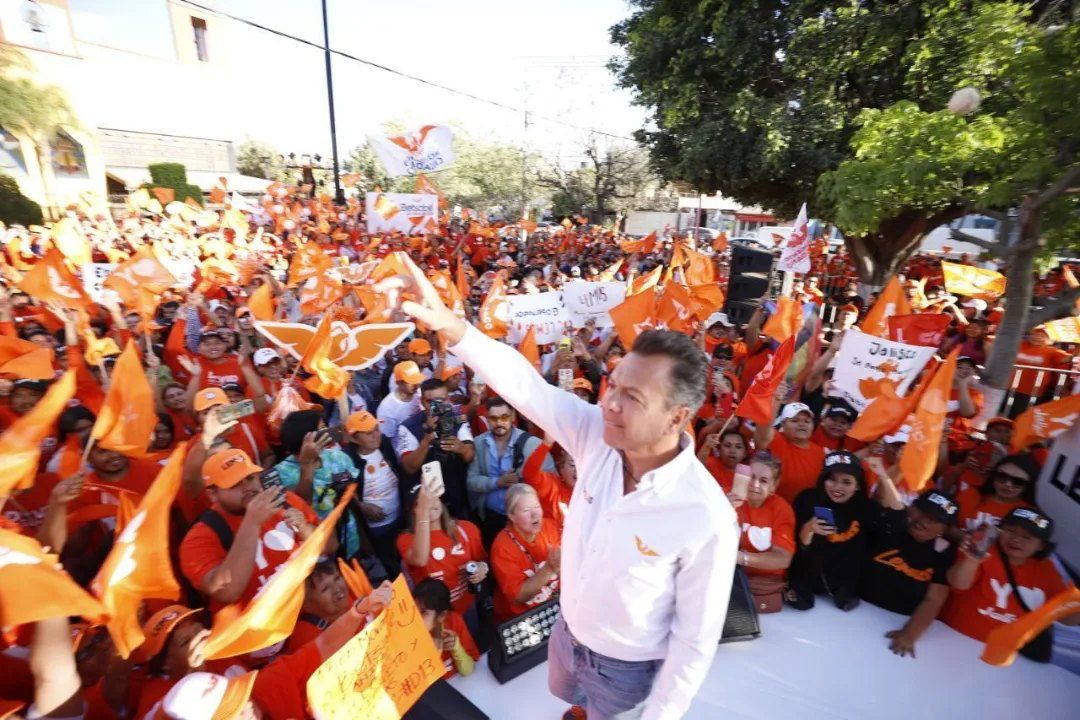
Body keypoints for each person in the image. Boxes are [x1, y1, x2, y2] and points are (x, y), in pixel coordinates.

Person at [393, 265, 736, 720]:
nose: (609, 403)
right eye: (613, 386)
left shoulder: (704, 516)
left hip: (626, 670)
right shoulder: (595, 435)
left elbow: (695, 639)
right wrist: (455, 328)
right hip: (566, 633)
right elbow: (525, 386)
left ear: (678, 416)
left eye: (633, 397)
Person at [150, 583, 393, 720]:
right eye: (231, 712)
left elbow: (322, 647)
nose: (246, 708)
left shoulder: (266, 686)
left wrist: (358, 611)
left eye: (237, 695)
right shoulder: (152, 699)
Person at [179, 448, 326, 614]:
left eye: (250, 478)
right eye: (234, 484)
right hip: (265, 632)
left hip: (310, 611)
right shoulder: (198, 539)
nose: (247, 487)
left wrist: (305, 529)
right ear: (213, 494)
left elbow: (328, 547)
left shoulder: (284, 500)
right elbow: (228, 592)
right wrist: (252, 521)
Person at [858, 465, 958, 657]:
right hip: (855, 606)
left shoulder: (944, 551)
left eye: (934, 519)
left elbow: (934, 599)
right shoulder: (891, 520)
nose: (924, 521)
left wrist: (910, 633)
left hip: (893, 620)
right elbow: (879, 496)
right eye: (921, 511)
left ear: (944, 529)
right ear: (911, 507)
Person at [942, 506, 1074, 648]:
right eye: (1010, 531)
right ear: (999, 530)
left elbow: (1068, 619)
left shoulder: (1047, 570)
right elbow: (957, 583)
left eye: (1027, 537)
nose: (1016, 539)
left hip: (999, 654)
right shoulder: (981, 548)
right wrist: (971, 560)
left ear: (1041, 545)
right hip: (951, 637)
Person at [786, 451, 871, 611]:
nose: (837, 487)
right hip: (804, 576)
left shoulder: (864, 508)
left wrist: (885, 477)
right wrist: (808, 529)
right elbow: (795, 549)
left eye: (846, 482)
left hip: (842, 587)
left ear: (857, 485)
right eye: (832, 479)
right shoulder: (807, 499)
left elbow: (897, 518)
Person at [396, 484, 489, 628]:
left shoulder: (466, 528)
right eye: (422, 502)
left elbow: (481, 560)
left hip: (468, 607)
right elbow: (420, 560)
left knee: (472, 645)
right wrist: (424, 513)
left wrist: (482, 568)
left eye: (434, 497)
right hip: (436, 618)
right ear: (414, 511)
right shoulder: (406, 540)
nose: (430, 503)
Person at [467, 396, 551, 547]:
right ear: (487, 419)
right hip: (491, 518)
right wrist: (497, 482)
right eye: (493, 418)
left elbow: (550, 480)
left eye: (504, 417)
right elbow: (471, 481)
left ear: (512, 416)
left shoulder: (532, 444)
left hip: (524, 519)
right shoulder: (478, 443)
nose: (499, 422)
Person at [341, 410, 410, 576]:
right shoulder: (347, 459)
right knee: (391, 563)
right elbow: (345, 491)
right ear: (354, 438)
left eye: (376, 429)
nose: (375, 435)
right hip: (378, 527)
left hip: (401, 515)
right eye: (368, 433)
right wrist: (362, 506)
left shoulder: (385, 444)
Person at [396, 378, 476, 520]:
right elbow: (409, 467)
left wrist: (461, 448)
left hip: (455, 490)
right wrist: (426, 440)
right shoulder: (408, 426)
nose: (437, 406)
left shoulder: (458, 419)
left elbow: (470, 456)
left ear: (448, 400)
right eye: (431, 402)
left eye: (442, 400)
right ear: (422, 402)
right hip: (425, 496)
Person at [728, 451, 794, 613]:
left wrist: (741, 558)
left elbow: (783, 559)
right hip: (729, 575)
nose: (754, 484)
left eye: (763, 481)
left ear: (773, 486)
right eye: (751, 476)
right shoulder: (727, 495)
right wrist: (721, 511)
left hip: (762, 582)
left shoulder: (781, 509)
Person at [490, 483, 562, 623]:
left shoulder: (550, 526)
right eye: (526, 510)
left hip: (555, 603)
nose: (535, 514)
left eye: (536, 507)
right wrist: (549, 569)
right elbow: (519, 597)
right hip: (524, 616)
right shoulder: (502, 547)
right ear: (511, 515)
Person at [754, 401, 828, 505]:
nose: (802, 424)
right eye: (795, 420)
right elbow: (762, 433)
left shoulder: (820, 452)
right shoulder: (777, 440)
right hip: (772, 508)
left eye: (807, 421)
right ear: (783, 424)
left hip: (803, 512)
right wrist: (776, 400)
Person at [414, 577, 480, 680]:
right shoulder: (409, 634)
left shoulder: (454, 621)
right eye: (414, 609)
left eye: (423, 612)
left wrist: (457, 648)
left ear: (441, 615)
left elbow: (468, 670)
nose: (416, 617)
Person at [955, 454, 1038, 532]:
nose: (1007, 484)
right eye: (1002, 476)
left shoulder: (1030, 515)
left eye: (1018, 481)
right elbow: (946, 524)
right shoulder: (970, 493)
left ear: (1028, 486)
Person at [376, 360, 423, 441]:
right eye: (410, 381)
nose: (416, 385)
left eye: (417, 380)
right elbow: (388, 438)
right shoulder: (386, 409)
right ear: (398, 382)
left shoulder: (418, 391)